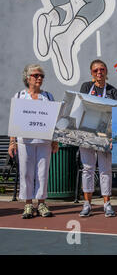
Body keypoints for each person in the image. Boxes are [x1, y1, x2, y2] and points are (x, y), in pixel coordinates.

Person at [8, 64, 59, 218]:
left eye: (41, 76)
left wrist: (55, 140)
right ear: (27, 78)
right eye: (36, 75)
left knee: (42, 173)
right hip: (25, 141)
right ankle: (28, 205)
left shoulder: (48, 96)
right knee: (26, 173)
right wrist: (12, 142)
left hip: (44, 141)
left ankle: (42, 203)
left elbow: (55, 120)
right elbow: (14, 120)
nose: (39, 78)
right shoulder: (19, 96)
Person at [78, 59, 117, 218]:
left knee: (105, 170)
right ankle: (87, 204)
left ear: (106, 71)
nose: (99, 73)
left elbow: (116, 113)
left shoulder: (112, 91)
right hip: (87, 133)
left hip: (104, 134)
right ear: (91, 73)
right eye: (95, 70)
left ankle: (107, 204)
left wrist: (113, 136)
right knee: (88, 169)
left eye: (102, 69)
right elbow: (81, 106)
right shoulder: (86, 87)